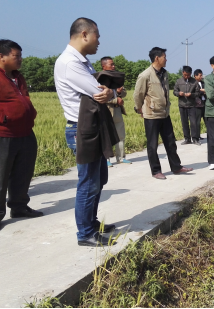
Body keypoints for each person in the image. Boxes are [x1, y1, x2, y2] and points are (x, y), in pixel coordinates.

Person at [54, 17, 117, 246]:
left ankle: (91, 223)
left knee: (98, 179)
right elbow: (98, 90)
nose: (99, 41)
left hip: (92, 126)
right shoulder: (70, 63)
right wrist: (110, 92)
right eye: (97, 36)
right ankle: (85, 234)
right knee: (88, 182)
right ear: (84, 34)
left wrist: (109, 92)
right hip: (82, 129)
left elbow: (106, 91)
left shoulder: (83, 62)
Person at [134, 47, 193, 180]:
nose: (166, 59)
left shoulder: (164, 74)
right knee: (152, 144)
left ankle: (176, 167)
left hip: (164, 114)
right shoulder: (145, 75)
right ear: (157, 58)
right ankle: (156, 171)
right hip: (152, 115)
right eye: (164, 57)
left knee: (170, 142)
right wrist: (139, 108)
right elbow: (138, 94)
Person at [0, 39, 43, 223]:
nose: (20, 60)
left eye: (20, 56)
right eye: (16, 56)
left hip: (25, 132)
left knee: (23, 172)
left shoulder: (18, 77)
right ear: (1, 57)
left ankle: (19, 206)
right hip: (5, 134)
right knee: (1, 174)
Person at [100, 56, 131, 166]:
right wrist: (115, 100)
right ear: (104, 66)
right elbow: (100, 96)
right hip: (106, 110)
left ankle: (121, 158)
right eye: (111, 64)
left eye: (114, 64)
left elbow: (124, 93)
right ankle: (107, 159)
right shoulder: (100, 79)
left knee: (120, 134)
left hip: (117, 111)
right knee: (107, 135)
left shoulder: (116, 78)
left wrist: (119, 92)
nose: (114, 66)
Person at [174, 66, 201, 145]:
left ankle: (195, 139)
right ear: (183, 72)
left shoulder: (194, 82)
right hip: (182, 105)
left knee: (193, 123)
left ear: (191, 74)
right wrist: (179, 93)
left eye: (188, 75)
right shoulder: (178, 81)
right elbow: (174, 91)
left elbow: (198, 93)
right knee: (184, 122)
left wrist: (191, 94)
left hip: (192, 105)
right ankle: (187, 139)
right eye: (185, 75)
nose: (186, 76)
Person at [194, 69, 207, 139]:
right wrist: (202, 92)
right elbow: (195, 93)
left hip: (204, 103)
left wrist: (204, 91)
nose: (201, 77)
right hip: (197, 105)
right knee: (197, 121)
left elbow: (207, 90)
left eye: (201, 75)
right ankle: (197, 136)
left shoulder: (203, 83)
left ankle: (209, 134)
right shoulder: (193, 83)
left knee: (207, 120)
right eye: (199, 75)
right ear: (195, 76)